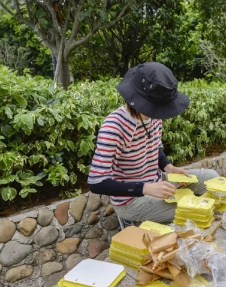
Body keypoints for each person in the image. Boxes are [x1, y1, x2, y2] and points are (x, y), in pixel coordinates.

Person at [87, 62, 219, 224]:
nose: (160, 112)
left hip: (158, 182)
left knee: (212, 180)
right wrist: (145, 188)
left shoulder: (153, 116)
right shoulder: (114, 127)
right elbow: (97, 182)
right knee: (193, 210)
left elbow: (154, 147)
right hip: (131, 200)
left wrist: (169, 167)